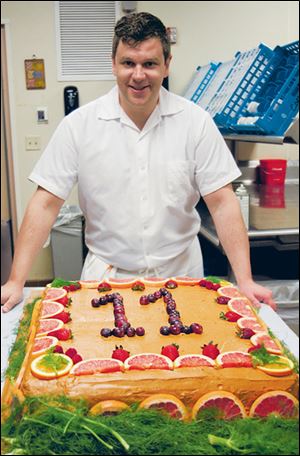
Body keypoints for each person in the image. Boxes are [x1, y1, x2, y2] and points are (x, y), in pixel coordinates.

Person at [1, 12, 276, 313]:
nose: (138, 75)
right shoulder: (79, 126)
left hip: (181, 276)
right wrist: (16, 281)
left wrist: (245, 280)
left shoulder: (195, 123)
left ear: (167, 65)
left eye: (149, 64)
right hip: (106, 278)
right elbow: (45, 204)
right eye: (128, 63)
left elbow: (222, 203)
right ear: (113, 63)